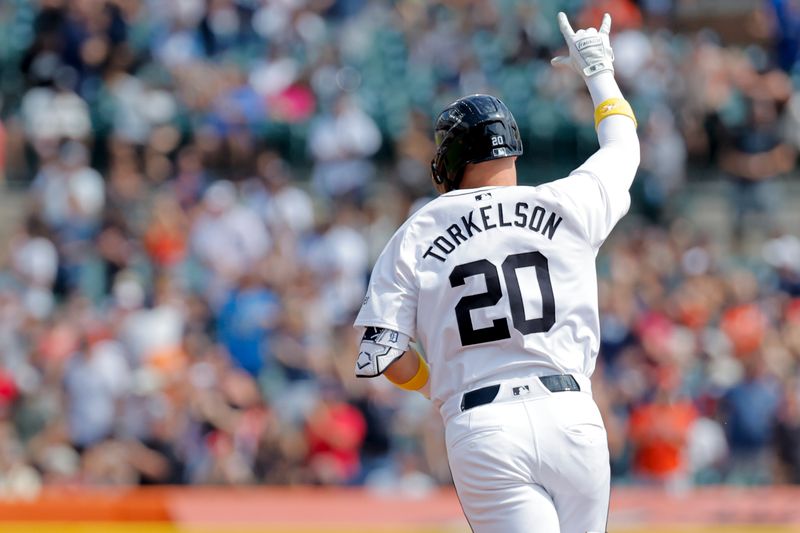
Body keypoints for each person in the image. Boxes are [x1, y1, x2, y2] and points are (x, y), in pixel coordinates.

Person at [353, 12, 640, 533]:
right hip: (571, 415)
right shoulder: (566, 202)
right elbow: (623, 147)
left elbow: (385, 354)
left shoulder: (420, 227)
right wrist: (598, 71)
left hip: (482, 423)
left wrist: (435, 383)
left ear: (451, 157)